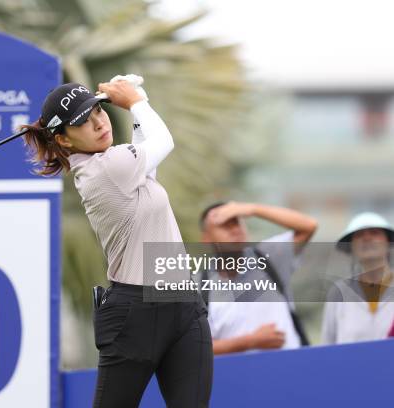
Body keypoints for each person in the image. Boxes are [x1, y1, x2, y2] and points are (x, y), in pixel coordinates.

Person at [22, 78, 212, 407]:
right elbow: (162, 141)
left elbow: (148, 159)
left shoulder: (121, 163)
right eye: (82, 121)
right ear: (64, 140)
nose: (98, 122)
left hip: (184, 306)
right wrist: (135, 101)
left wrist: (140, 100)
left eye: (98, 110)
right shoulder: (103, 170)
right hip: (136, 313)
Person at [199, 201, 317, 354]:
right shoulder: (200, 288)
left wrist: (252, 209)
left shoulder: (269, 258)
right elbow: (195, 348)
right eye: (225, 225)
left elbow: (309, 226)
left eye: (237, 222)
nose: (235, 230)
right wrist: (251, 341)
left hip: (291, 370)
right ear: (206, 238)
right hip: (238, 376)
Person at [322, 212, 394, 344]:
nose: (367, 238)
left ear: (388, 241)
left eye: (374, 232)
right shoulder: (338, 292)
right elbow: (328, 346)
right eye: (359, 235)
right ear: (351, 246)